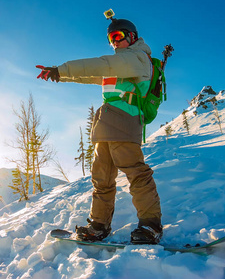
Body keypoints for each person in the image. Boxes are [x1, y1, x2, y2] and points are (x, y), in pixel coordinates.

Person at [36, 16, 162, 244]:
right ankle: (98, 225)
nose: (114, 43)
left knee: (136, 174)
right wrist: (60, 74)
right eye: (110, 39)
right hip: (105, 126)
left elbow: (100, 64)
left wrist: (62, 68)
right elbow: (90, 74)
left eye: (117, 36)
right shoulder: (121, 63)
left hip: (125, 121)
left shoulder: (136, 58)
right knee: (101, 179)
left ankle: (150, 225)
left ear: (131, 37)